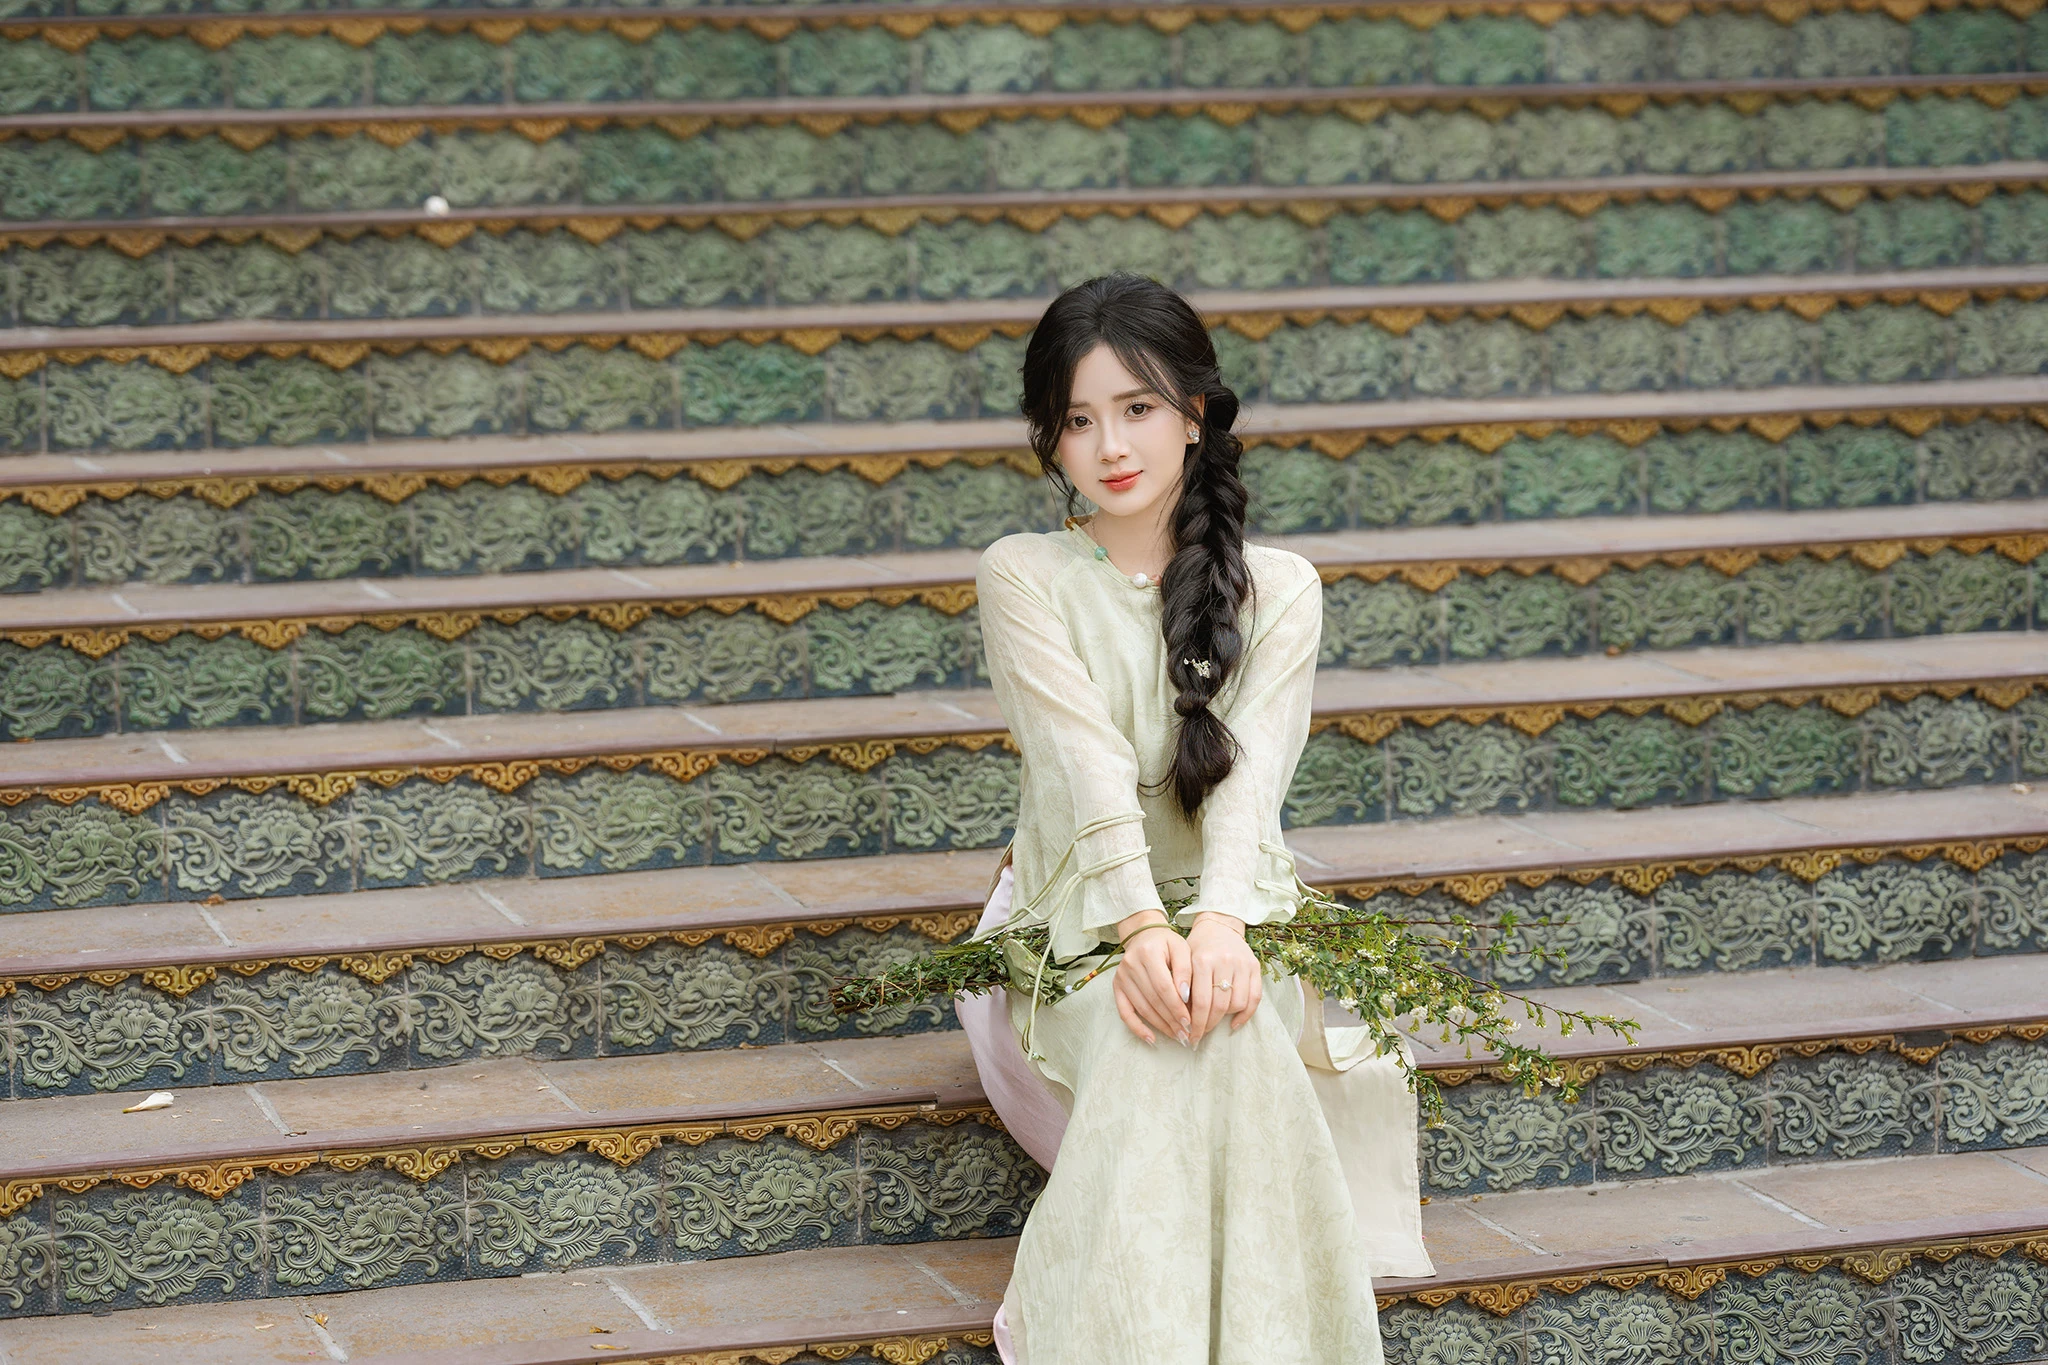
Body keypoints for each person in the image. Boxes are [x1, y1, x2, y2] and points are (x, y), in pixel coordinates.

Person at [955, 274, 1434, 1365]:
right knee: (1156, 1031)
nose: (1110, 446)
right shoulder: (1023, 575)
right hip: (1071, 930)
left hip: (1234, 914)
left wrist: (1217, 925)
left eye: (1136, 408)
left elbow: (1250, 780)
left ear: (1194, 414)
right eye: (1077, 420)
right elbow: (1080, 766)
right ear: (1050, 438)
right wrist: (1140, 930)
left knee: (1227, 1017)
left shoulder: (1281, 587)